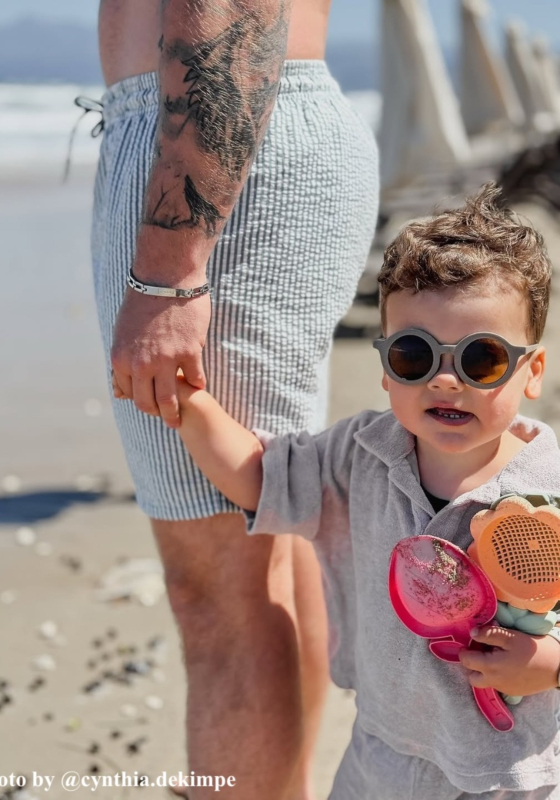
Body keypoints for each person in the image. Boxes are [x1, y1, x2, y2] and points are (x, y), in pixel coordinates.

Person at [137, 184, 560, 799]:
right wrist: (187, 401)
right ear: (387, 367)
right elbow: (260, 475)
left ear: (532, 374)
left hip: (505, 775)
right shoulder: (361, 455)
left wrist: (550, 666)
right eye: (416, 356)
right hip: (380, 759)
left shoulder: (550, 487)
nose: (446, 379)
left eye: (482, 359)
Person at [93, 0, 379, 797]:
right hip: (242, 130)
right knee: (272, 544)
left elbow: (226, 13)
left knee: (218, 589)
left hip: (218, 141)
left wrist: (168, 267)